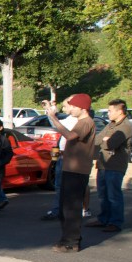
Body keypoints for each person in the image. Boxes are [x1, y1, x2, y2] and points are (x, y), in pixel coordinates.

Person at [42, 93, 95, 253]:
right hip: (69, 168)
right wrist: (53, 116)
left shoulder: (86, 122)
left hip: (77, 170)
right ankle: (67, 239)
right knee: (65, 206)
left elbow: (70, 135)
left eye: (72, 106)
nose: (70, 109)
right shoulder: (80, 121)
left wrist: (55, 118)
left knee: (72, 207)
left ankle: (71, 242)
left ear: (82, 108)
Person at [87, 98, 131, 233]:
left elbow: (112, 144)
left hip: (115, 166)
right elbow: (99, 139)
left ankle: (115, 222)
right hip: (103, 164)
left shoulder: (125, 126)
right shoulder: (110, 124)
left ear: (120, 111)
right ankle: (103, 218)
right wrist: (105, 141)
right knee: (103, 194)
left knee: (114, 195)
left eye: (110, 111)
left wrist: (106, 141)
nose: (108, 114)